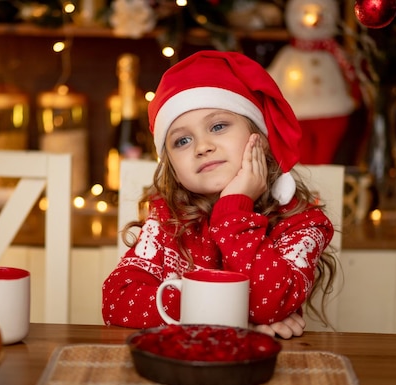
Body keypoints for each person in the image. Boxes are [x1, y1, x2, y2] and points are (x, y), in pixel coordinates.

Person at [102, 50, 337, 339]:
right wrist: (227, 315)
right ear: (172, 167)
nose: (202, 146)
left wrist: (233, 210)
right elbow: (117, 301)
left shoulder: (302, 223)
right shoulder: (167, 217)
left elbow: (269, 305)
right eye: (182, 141)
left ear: (260, 140)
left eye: (218, 126)